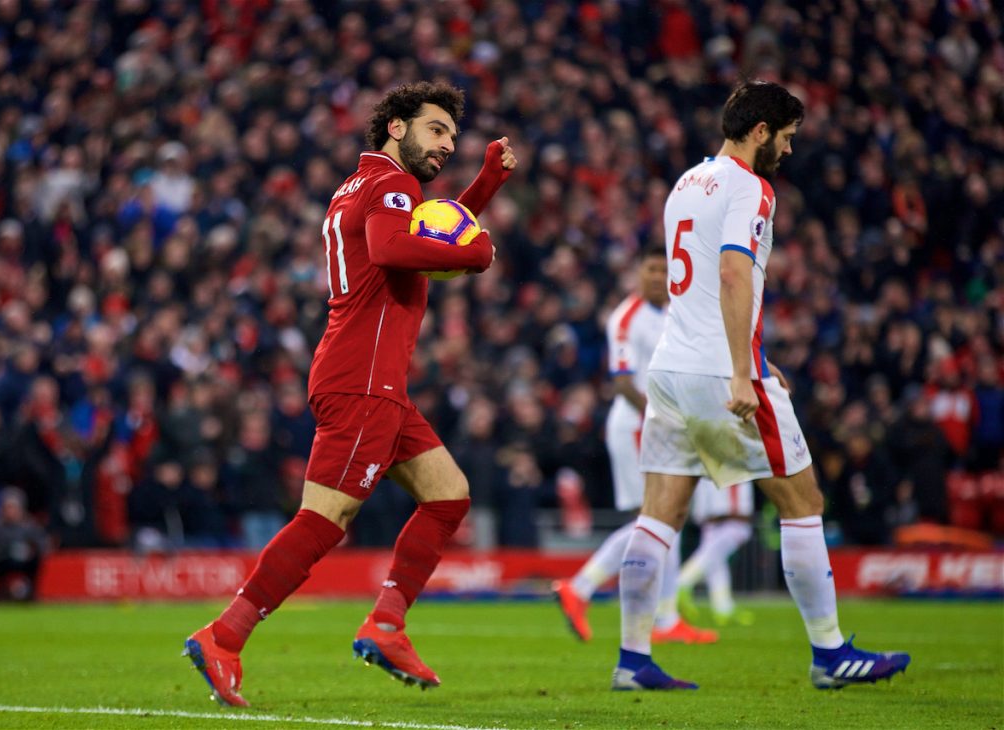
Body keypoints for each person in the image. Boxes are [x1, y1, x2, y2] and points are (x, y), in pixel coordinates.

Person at [184, 81, 517, 706]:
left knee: (448, 496)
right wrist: (476, 255)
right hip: (364, 380)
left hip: (370, 378)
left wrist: (484, 187)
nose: (446, 144)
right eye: (435, 130)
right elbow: (399, 248)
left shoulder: (362, 186)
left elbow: (425, 239)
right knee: (325, 518)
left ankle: (387, 624)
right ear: (396, 128)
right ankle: (224, 636)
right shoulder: (394, 186)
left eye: (451, 135)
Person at [612, 81, 910, 691]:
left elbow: (693, 289)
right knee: (803, 504)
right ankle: (829, 654)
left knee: (659, 516)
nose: (790, 150)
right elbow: (729, 271)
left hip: (671, 368)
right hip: (720, 373)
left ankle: (633, 659)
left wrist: (757, 356)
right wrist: (745, 371)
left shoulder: (685, 182)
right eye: (787, 137)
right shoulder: (752, 186)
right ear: (759, 132)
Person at [551, 247, 718, 645]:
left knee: (666, 519)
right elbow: (623, 382)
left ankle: (663, 618)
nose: (658, 276)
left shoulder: (676, 312)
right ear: (637, 273)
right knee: (656, 519)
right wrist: (664, 416)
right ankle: (582, 588)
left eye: (665, 269)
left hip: (662, 425)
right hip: (637, 426)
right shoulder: (626, 317)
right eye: (651, 269)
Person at [676, 481, 756, 627]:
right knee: (712, 556)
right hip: (728, 518)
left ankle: (723, 608)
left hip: (709, 518)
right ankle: (682, 582)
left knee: (716, 562)